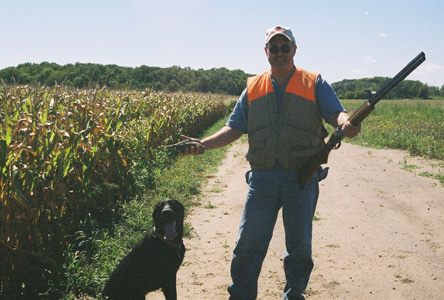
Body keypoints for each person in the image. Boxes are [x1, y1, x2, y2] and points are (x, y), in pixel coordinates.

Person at [180, 25, 360, 300]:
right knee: (247, 245)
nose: (279, 53)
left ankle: (293, 295)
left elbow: (336, 113)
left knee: (299, 248)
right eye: (273, 48)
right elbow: (234, 128)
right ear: (266, 52)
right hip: (262, 179)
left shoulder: (314, 82)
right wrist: (203, 144)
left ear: (294, 50)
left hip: (301, 176)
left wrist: (344, 123)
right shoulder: (253, 88)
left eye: (284, 47)